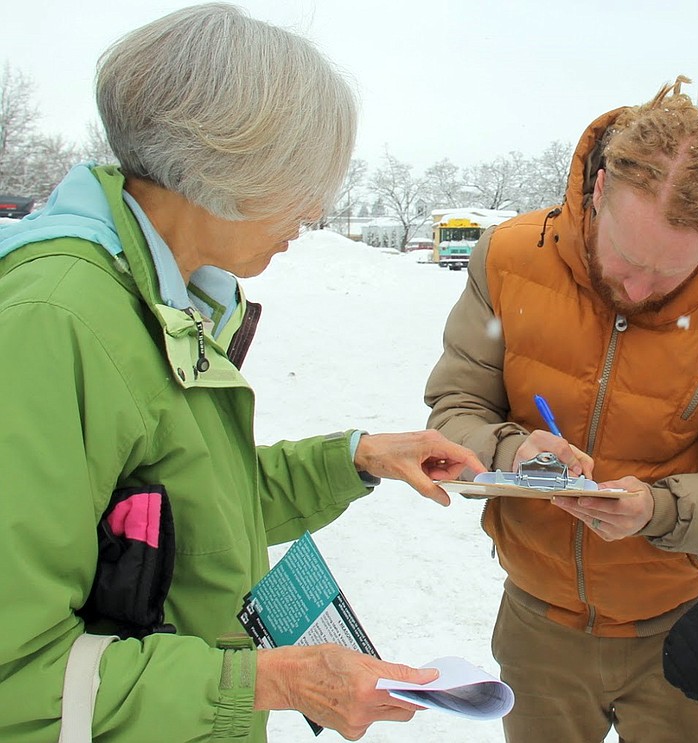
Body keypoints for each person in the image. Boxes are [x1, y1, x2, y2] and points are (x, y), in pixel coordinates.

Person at [0, 5, 485, 742]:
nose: (316, 209)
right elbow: (18, 675)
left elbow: (192, 517)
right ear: (223, 163)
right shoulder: (57, 323)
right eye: (300, 178)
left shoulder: (165, 298)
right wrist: (275, 679)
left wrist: (355, 457)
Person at [424, 77, 698, 742]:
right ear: (599, 192)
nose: (637, 288)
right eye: (626, 257)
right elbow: (453, 414)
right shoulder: (510, 259)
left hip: (677, 630)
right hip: (539, 629)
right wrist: (513, 453)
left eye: (669, 274)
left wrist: (658, 510)